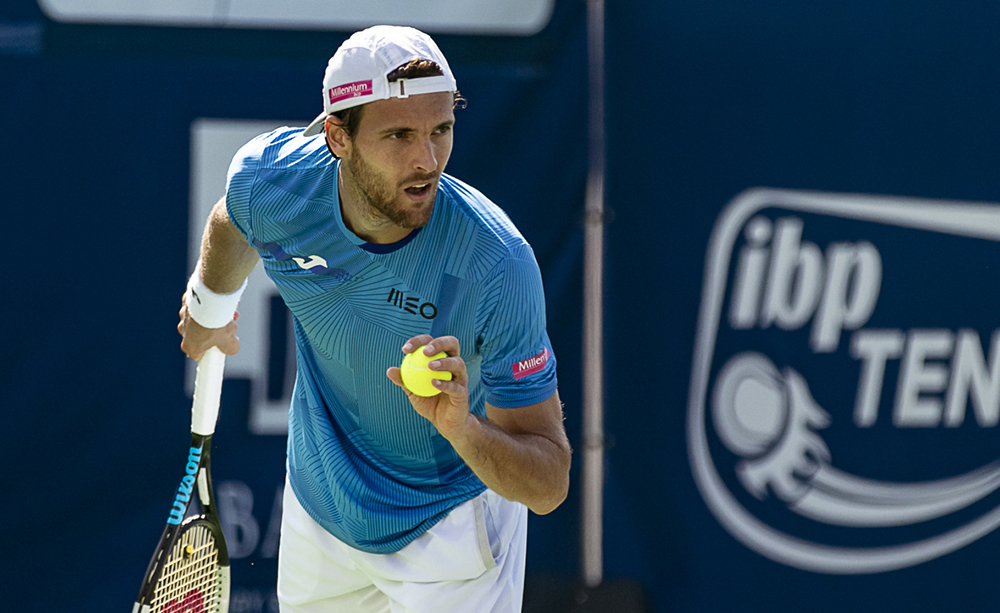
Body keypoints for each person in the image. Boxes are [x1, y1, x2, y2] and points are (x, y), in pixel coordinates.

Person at [176, 25, 572, 613]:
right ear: (338, 136)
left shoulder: (497, 264)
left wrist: (463, 427)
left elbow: (549, 484)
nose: (427, 160)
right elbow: (233, 219)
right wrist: (210, 305)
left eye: (441, 131)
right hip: (322, 514)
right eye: (400, 135)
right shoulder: (273, 183)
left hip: (452, 529)